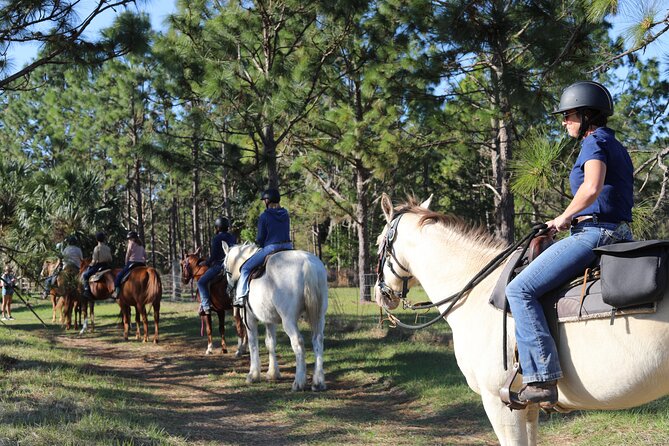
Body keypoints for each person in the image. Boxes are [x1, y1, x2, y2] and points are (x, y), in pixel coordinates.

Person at [505, 80, 634, 405]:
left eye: (569, 115)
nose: (564, 122)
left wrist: (561, 220)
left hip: (596, 233)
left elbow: (591, 188)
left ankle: (542, 378)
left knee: (518, 289)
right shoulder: (614, 143)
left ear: (587, 116)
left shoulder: (593, 144)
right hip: (617, 231)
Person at [234, 188, 293, 307]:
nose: (263, 202)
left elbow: (261, 237)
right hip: (288, 246)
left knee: (245, 268)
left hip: (272, 248)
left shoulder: (264, 216)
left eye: (264, 200)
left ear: (267, 200)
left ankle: (240, 297)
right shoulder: (285, 213)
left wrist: (259, 243)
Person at [197, 217, 237, 315]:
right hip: (232, 266)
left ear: (218, 228)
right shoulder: (232, 237)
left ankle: (206, 305)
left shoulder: (217, 238)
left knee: (201, 282)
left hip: (220, 266)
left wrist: (205, 263)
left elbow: (214, 256)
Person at [112, 231, 146, 299]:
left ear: (133, 238)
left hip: (132, 263)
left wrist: (126, 263)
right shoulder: (141, 245)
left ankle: (117, 291)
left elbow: (128, 254)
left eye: (130, 238)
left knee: (119, 275)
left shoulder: (131, 244)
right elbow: (145, 256)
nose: (129, 240)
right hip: (141, 264)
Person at [82, 232, 113, 298]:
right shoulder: (107, 248)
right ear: (104, 239)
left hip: (99, 266)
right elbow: (110, 259)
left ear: (96, 239)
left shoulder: (97, 248)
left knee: (85, 275)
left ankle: (86, 290)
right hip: (107, 266)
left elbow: (94, 260)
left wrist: (90, 265)